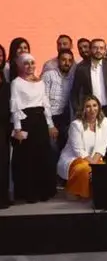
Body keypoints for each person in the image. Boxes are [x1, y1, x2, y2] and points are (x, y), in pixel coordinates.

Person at [10, 53, 58, 203]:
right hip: (26, 121)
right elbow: (15, 106)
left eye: (32, 63)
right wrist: (17, 128)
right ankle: (29, 193)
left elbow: (45, 104)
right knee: (28, 158)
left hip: (40, 122)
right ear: (20, 65)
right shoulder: (16, 83)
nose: (30, 66)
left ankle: (44, 191)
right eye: (26, 63)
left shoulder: (40, 82)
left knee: (42, 156)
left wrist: (50, 125)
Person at [70, 38, 107, 165]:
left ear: (105, 50)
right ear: (90, 49)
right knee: (96, 142)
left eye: (101, 48)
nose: (98, 50)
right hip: (91, 111)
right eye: (95, 48)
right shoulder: (82, 67)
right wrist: (78, 110)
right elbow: (75, 91)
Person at [57, 95, 107, 200]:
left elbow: (103, 145)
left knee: (104, 170)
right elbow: (78, 150)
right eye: (88, 106)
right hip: (75, 159)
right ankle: (74, 191)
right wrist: (93, 164)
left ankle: (89, 191)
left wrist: (95, 163)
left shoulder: (104, 121)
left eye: (94, 105)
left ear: (99, 107)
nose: (92, 109)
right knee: (85, 168)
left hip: (95, 158)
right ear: (83, 109)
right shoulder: (76, 125)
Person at [41, 49, 74, 156]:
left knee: (64, 149)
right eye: (64, 60)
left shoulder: (72, 77)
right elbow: (43, 100)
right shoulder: (49, 75)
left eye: (70, 60)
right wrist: (50, 125)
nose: (67, 63)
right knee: (52, 149)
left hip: (64, 118)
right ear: (58, 61)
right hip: (48, 117)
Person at [0, 44, 10, 209]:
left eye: (1, 55)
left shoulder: (4, 76)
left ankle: (3, 197)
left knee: (3, 162)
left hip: (4, 126)